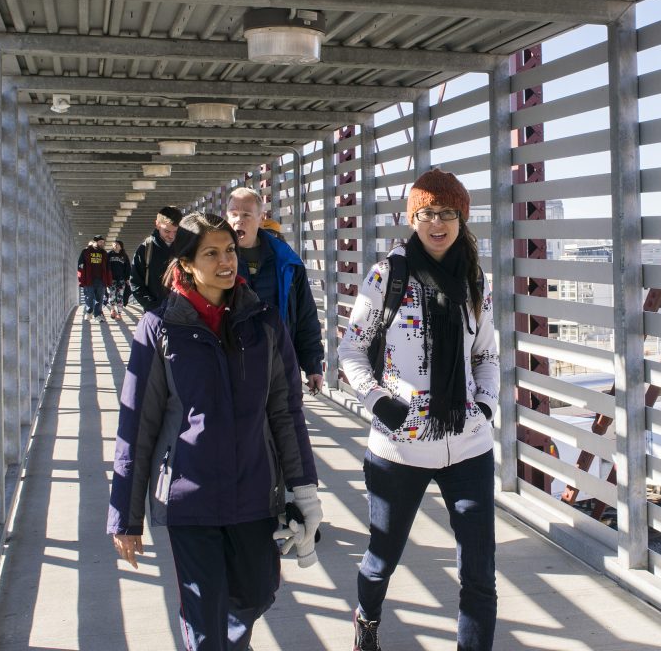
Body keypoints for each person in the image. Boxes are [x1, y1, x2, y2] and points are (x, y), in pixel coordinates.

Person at [108, 212, 322, 651]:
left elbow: (286, 411)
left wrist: (304, 489)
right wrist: (126, 517)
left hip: (255, 494)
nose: (227, 262)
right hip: (191, 499)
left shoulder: (263, 323)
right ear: (186, 263)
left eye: (230, 251)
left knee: (257, 594)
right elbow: (137, 424)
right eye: (212, 253)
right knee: (207, 627)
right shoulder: (161, 327)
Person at [339, 168, 500, 651]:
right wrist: (378, 402)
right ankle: (367, 619)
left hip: (468, 448)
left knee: (478, 573)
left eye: (448, 213)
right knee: (381, 557)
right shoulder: (387, 275)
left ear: (461, 218)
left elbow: (485, 355)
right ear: (413, 217)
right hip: (399, 449)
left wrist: (486, 407)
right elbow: (351, 348)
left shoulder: (474, 279)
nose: (438, 222)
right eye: (428, 213)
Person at [226, 188, 324, 395]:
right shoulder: (216, 261)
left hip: (279, 364)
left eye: (246, 215)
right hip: (231, 367)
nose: (238, 221)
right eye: (233, 214)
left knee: (284, 425)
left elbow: (306, 314)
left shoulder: (287, 261)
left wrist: (313, 364)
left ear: (260, 218)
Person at [130, 205, 182, 313]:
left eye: (176, 232)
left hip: (183, 312)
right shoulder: (145, 249)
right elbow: (135, 282)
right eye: (167, 231)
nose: (171, 236)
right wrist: (151, 305)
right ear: (157, 225)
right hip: (155, 313)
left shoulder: (187, 247)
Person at [77, 235, 112, 323]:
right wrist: (80, 278)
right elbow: (80, 265)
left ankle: (97, 315)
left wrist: (108, 280)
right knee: (89, 297)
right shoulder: (85, 252)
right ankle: (89, 312)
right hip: (89, 279)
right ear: (95, 242)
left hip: (101, 280)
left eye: (103, 243)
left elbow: (108, 267)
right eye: (100, 242)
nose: (102, 244)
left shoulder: (104, 253)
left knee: (99, 298)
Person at [106, 240, 131, 319]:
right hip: (111, 279)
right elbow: (105, 267)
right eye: (114, 244)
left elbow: (128, 268)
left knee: (120, 296)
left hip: (121, 279)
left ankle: (119, 313)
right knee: (112, 295)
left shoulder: (124, 256)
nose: (115, 245)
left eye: (117, 244)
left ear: (121, 246)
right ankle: (113, 310)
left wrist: (127, 278)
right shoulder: (109, 255)